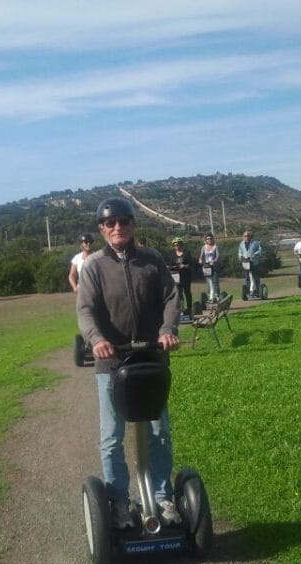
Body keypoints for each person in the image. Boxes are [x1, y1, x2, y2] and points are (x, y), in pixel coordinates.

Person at [77, 197, 183, 529]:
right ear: (102, 229)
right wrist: (97, 340)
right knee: (112, 435)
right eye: (110, 223)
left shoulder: (151, 260)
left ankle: (163, 497)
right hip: (112, 363)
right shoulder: (93, 266)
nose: (117, 227)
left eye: (123, 221)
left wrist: (168, 329)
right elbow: (85, 310)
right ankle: (120, 503)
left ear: (133, 224)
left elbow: (171, 297)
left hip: (151, 359)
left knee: (158, 432)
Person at [168, 237, 193, 316]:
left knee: (187, 293)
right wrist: (171, 267)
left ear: (181, 245)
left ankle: (189, 309)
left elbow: (191, 263)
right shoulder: (173, 255)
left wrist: (185, 266)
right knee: (179, 294)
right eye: (175, 245)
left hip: (186, 277)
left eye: (178, 245)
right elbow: (171, 265)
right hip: (176, 278)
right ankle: (182, 309)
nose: (177, 246)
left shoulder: (186, 253)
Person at [198, 233, 221, 302]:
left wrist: (215, 260)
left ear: (212, 239)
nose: (209, 240)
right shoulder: (204, 247)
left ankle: (217, 296)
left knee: (215, 281)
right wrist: (200, 260)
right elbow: (201, 256)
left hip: (214, 266)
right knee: (209, 282)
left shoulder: (215, 246)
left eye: (210, 238)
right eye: (208, 239)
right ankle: (210, 297)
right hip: (207, 266)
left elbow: (217, 256)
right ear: (206, 240)